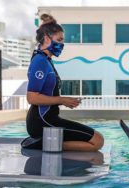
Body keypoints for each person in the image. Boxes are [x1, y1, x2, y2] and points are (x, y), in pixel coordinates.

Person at [26, 14, 104, 152]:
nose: (62, 44)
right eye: (59, 40)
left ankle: (49, 143)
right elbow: (32, 97)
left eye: (63, 41)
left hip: (49, 118)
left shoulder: (46, 61)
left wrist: (65, 100)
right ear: (46, 39)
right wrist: (62, 100)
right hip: (42, 121)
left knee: (97, 139)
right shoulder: (40, 61)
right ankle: (44, 144)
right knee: (97, 141)